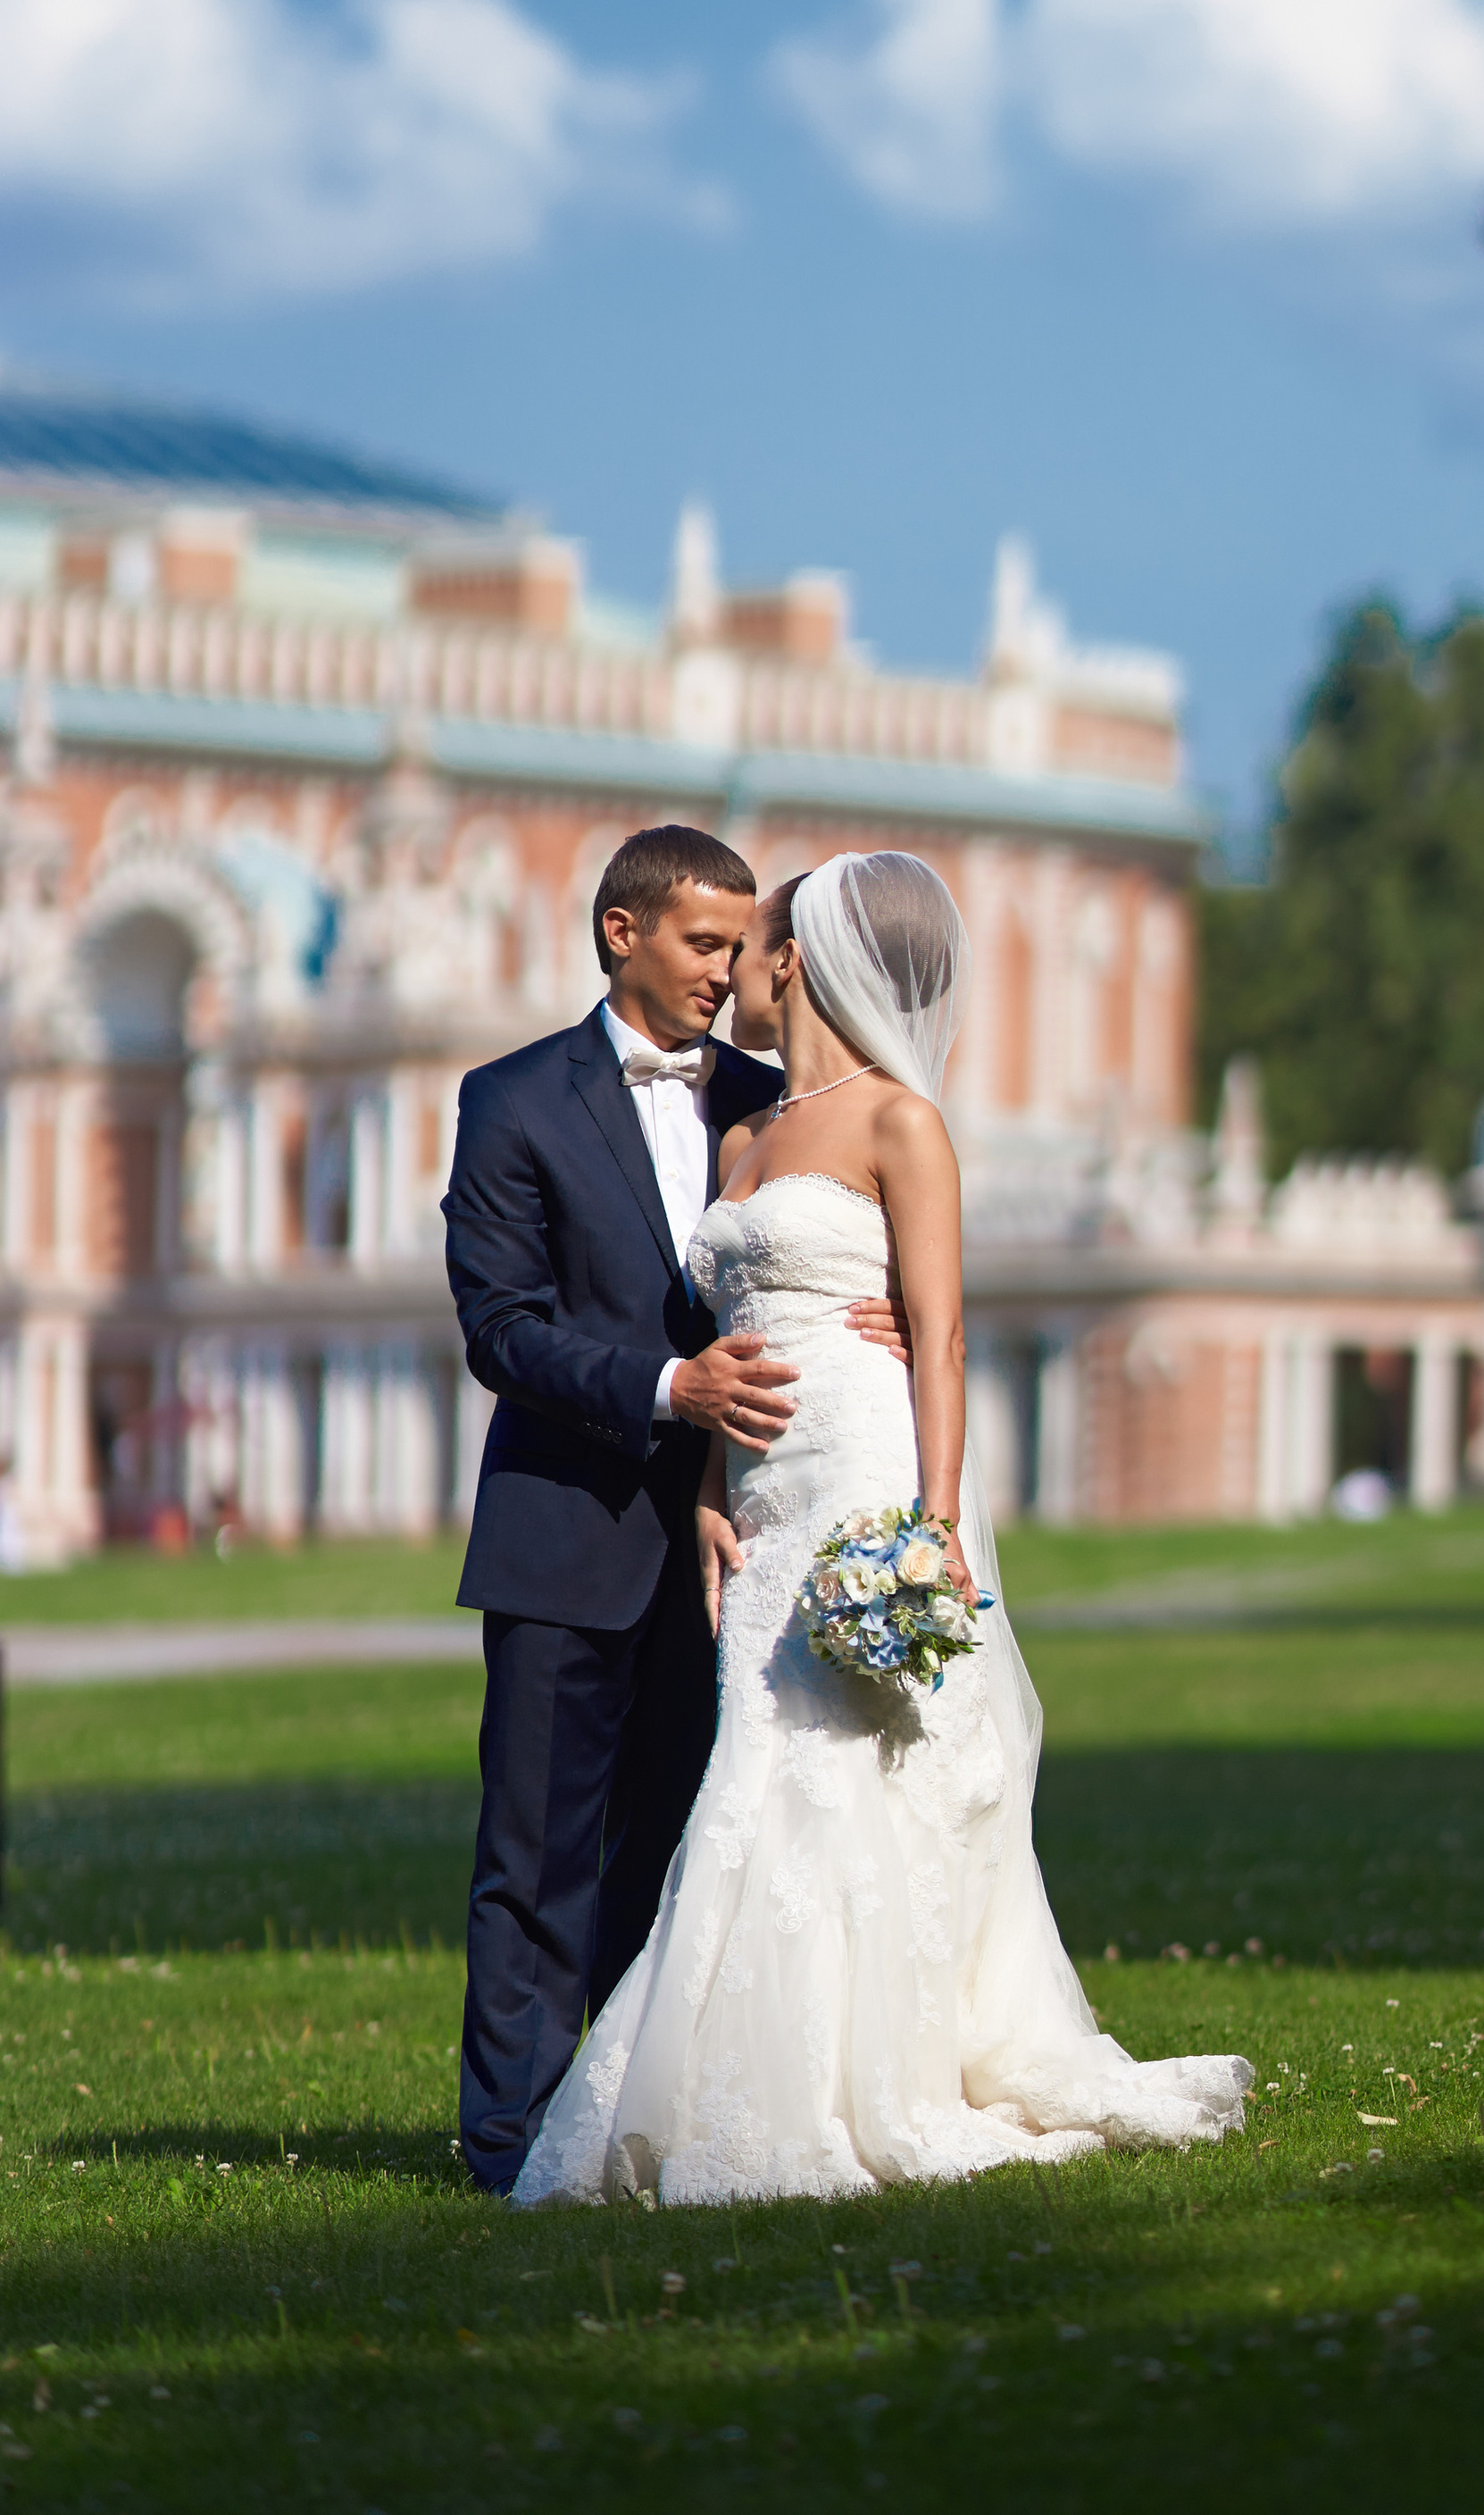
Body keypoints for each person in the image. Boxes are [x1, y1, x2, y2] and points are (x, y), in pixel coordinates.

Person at [511, 848, 1251, 2207]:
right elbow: (721, 1324)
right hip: (761, 1494)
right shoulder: (742, 1135)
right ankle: (719, 2077)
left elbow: (945, 1329)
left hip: (864, 1463)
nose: (734, 968)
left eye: (757, 945)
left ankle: (875, 2075)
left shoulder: (903, 1124)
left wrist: (938, 1522)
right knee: (752, 1769)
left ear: (797, 961)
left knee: (850, 1761)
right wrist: (715, 1493)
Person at [445, 824, 910, 2197]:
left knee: (680, 1848)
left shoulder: (776, 1105)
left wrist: (873, 1311)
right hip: (564, 1530)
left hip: (738, 1542)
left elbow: (866, 1239)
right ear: (621, 933)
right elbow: (501, 1329)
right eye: (707, 944)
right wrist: (667, 1386)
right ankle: (509, 2146)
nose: (731, 973)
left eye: (738, 947)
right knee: (534, 1857)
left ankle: (639, 2123)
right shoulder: (510, 1100)